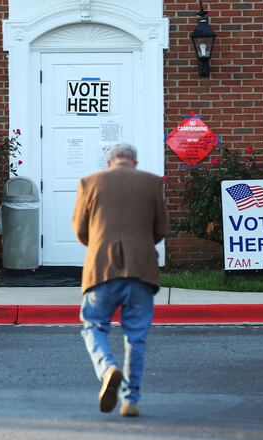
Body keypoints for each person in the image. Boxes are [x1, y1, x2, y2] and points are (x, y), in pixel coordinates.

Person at [71, 143, 170, 417]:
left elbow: (80, 229)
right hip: (141, 270)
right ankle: (130, 400)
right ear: (134, 163)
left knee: (94, 325)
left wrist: (99, 246)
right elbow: (161, 229)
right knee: (136, 336)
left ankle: (107, 368)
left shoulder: (89, 182)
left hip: (102, 269)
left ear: (110, 162)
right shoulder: (152, 183)